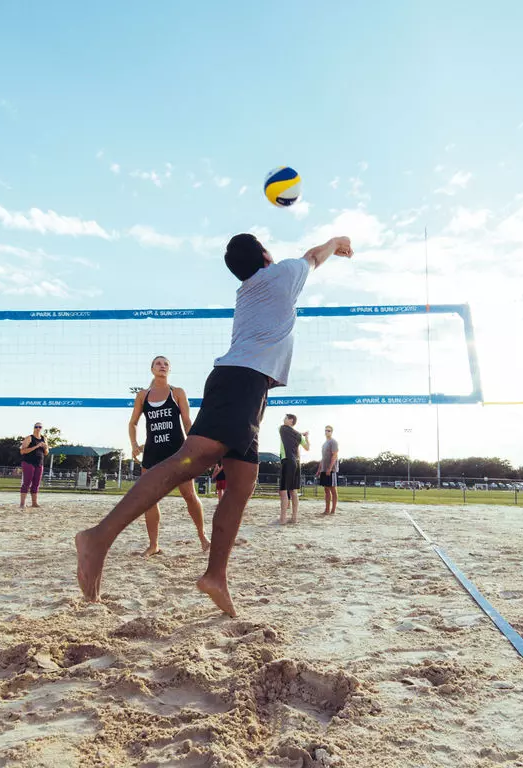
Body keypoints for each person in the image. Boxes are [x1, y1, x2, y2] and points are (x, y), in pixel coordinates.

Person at [75, 232, 353, 617]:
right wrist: (337, 240)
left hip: (249, 386)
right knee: (191, 459)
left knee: (242, 482)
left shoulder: (249, 289)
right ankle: (98, 537)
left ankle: (215, 576)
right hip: (240, 380)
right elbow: (313, 256)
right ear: (266, 256)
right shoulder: (281, 274)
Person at [129, 355, 209, 556]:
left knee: (189, 495)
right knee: (149, 499)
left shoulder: (178, 392)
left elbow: (187, 421)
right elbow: (133, 423)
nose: (162, 366)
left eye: (166, 364)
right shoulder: (142, 395)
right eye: (158, 363)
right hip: (153, 453)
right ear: (152, 369)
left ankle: (203, 538)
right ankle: (154, 545)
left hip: (177, 451)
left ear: (169, 370)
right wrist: (134, 445)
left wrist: (194, 444)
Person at [278, 414, 309, 524]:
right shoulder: (298, 435)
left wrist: (301, 433)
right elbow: (307, 448)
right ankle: (294, 518)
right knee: (293, 490)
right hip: (297, 462)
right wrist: (305, 436)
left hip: (287, 461)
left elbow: (291, 431)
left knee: (283, 491)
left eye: (285, 418)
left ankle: (282, 519)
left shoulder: (282, 428)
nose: (283, 420)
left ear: (291, 420)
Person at [19, 422, 48, 508]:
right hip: (28, 462)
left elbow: (46, 453)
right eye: (36, 427)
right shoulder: (29, 438)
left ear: (42, 428)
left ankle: (34, 503)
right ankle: (22, 503)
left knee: (36, 484)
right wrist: (36, 446)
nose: (38, 428)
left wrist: (45, 447)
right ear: (34, 428)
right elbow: (22, 451)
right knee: (26, 483)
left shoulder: (44, 438)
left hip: (39, 463)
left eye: (40, 427)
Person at [317, 425, 340, 515]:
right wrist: (319, 469)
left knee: (333, 489)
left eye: (329, 430)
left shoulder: (333, 442)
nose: (327, 432)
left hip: (331, 469)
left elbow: (334, 455)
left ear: (332, 432)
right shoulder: (324, 444)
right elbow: (323, 458)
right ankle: (327, 510)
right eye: (326, 430)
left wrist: (330, 468)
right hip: (324, 469)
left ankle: (333, 510)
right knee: (326, 489)